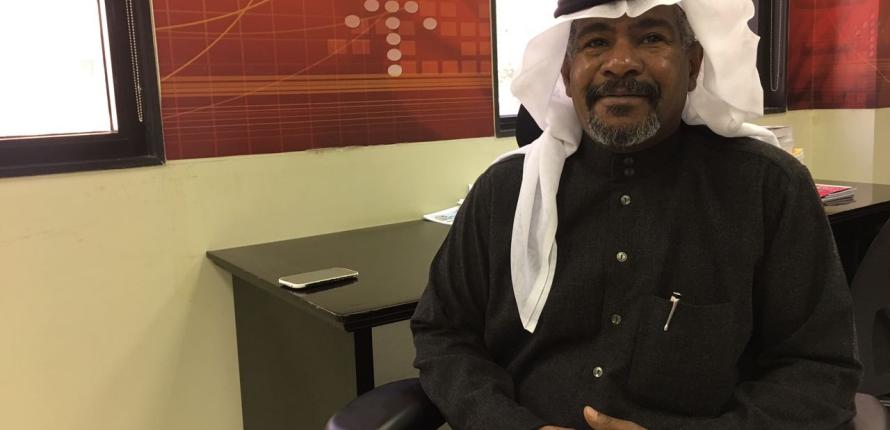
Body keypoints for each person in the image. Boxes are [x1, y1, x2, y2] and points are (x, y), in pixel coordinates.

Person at [411, 0, 862, 429]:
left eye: (651, 38)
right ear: (566, 73)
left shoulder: (767, 188)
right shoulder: (503, 191)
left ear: (693, 66)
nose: (621, 63)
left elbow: (819, 370)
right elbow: (444, 334)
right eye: (596, 42)